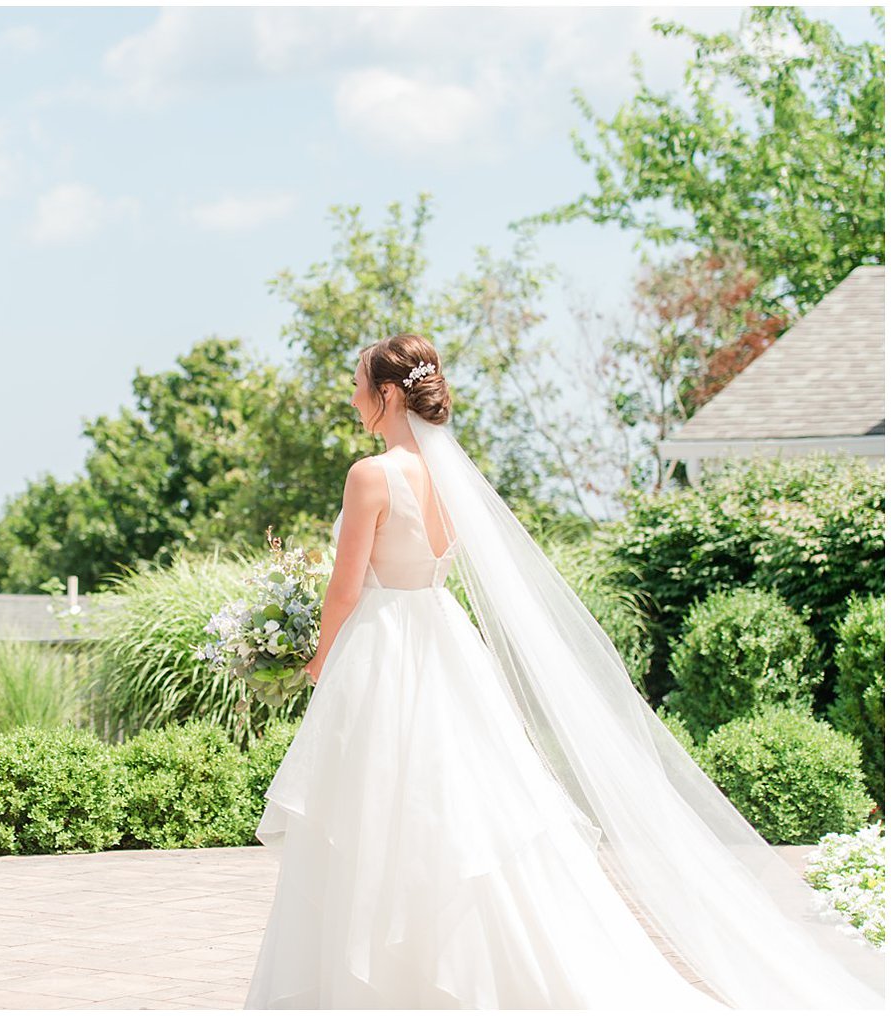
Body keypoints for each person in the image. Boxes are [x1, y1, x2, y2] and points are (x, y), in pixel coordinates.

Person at [244, 334, 884, 1009]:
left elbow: (344, 591)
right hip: (443, 642)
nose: (353, 398)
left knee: (379, 812)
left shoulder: (371, 475)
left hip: (386, 649)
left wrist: (314, 657)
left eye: (359, 384)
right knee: (464, 811)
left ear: (390, 394)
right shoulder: (453, 479)